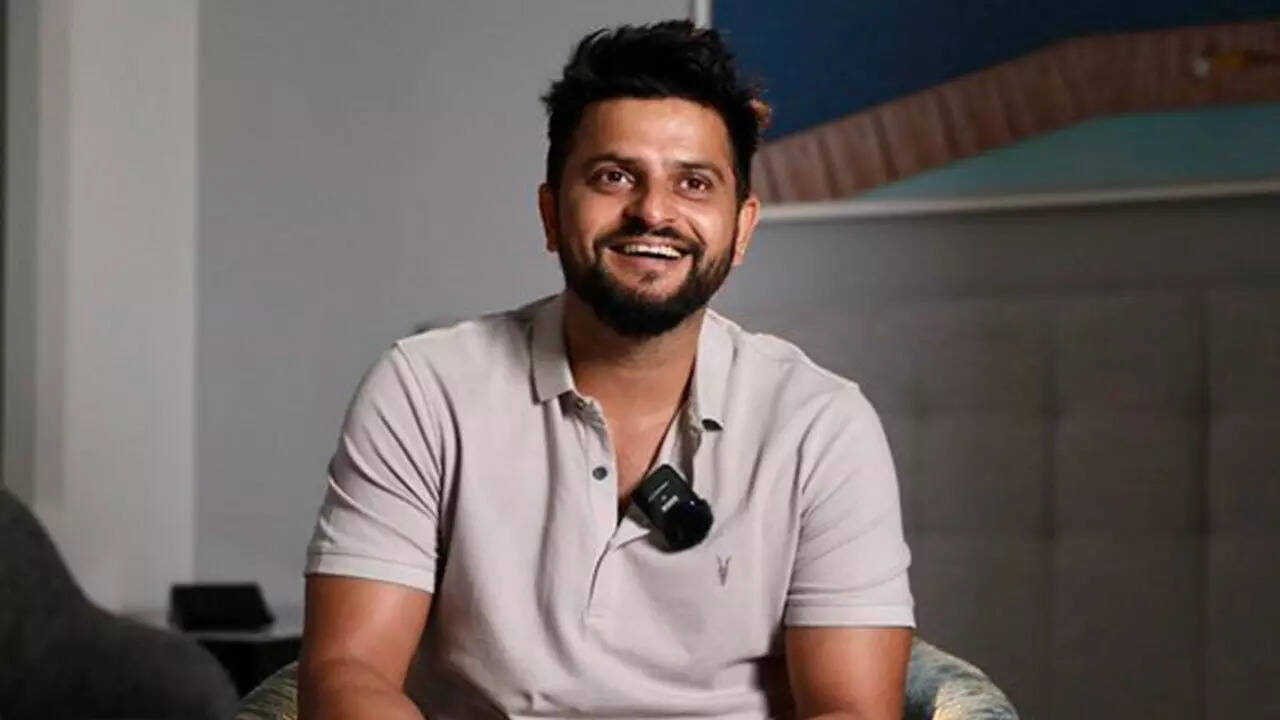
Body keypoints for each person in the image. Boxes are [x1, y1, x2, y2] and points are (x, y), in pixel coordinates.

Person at [299, 20, 913, 720]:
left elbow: (853, 709)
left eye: (694, 183)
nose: (653, 211)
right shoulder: (424, 390)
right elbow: (348, 672)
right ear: (551, 213)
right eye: (614, 177)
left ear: (742, 228)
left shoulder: (821, 425)